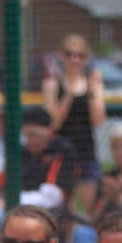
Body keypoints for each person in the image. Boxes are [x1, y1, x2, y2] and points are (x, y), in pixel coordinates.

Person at [0, 108, 78, 243]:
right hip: (15, 206)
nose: (31, 140)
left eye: (36, 135)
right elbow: (3, 185)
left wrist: (6, 203)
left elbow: (53, 197)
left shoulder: (62, 150)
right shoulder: (24, 152)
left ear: (49, 131)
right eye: (27, 135)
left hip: (45, 213)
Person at [43, 33, 104, 206]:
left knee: (89, 208)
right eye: (70, 54)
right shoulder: (52, 85)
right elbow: (54, 123)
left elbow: (98, 120)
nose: (75, 59)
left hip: (86, 151)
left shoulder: (93, 84)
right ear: (62, 56)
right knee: (62, 208)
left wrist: (92, 91)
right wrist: (69, 95)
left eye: (80, 55)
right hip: (61, 152)